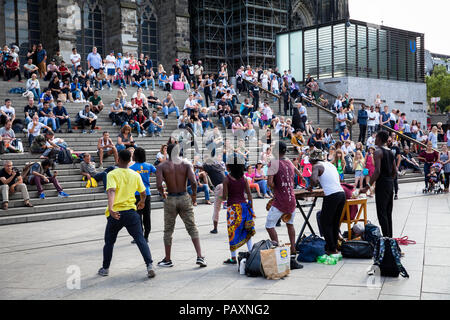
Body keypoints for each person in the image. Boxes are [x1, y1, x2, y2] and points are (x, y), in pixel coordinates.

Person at [97, 149, 155, 278]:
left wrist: (111, 208)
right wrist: (142, 202)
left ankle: (105, 268)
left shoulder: (112, 174)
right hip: (131, 212)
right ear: (130, 161)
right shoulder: (135, 175)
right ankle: (149, 265)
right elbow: (143, 192)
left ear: (118, 160)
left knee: (109, 242)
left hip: (115, 213)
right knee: (140, 239)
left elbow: (111, 191)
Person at [155, 143, 207, 268]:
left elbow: (158, 185)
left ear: (168, 152)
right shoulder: (186, 164)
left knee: (168, 230)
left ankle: (168, 259)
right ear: (178, 151)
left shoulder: (162, 166)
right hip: (184, 196)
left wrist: (163, 194)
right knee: (192, 227)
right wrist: (194, 195)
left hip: (171, 197)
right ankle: (200, 256)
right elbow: (193, 182)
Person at [266, 141, 304, 269]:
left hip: (280, 200)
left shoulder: (274, 163)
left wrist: (276, 188)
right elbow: (298, 171)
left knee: (269, 225)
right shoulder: (288, 162)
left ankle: (278, 251)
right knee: (290, 224)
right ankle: (293, 252)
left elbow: (270, 182)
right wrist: (300, 178)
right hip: (291, 198)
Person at [308, 149, 346, 256]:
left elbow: (314, 180)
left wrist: (310, 186)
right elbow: (338, 178)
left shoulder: (316, 166)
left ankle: (331, 248)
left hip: (332, 195)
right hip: (341, 194)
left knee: (325, 222)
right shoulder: (330, 164)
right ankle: (335, 246)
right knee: (334, 222)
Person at [361, 131, 397, 238]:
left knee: (381, 214)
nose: (374, 140)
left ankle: (386, 240)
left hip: (382, 184)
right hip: (390, 184)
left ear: (380, 139)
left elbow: (377, 171)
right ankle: (390, 238)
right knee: (388, 213)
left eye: (376, 138)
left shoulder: (378, 151)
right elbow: (394, 170)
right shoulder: (390, 151)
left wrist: (367, 187)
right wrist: (389, 181)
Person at [221, 155, 255, 264]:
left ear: (229, 166)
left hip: (232, 210)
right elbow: (249, 195)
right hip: (244, 207)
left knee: (232, 232)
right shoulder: (244, 178)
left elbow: (225, 196)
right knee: (247, 230)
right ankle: (251, 253)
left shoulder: (226, 179)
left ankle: (233, 257)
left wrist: (220, 196)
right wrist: (251, 208)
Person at [130, 147, 156, 243]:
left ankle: (139, 236)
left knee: (137, 216)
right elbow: (158, 173)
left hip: (136, 194)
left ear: (135, 155)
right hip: (147, 193)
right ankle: (146, 236)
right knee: (147, 215)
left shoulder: (131, 168)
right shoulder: (149, 166)